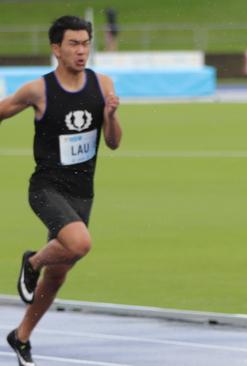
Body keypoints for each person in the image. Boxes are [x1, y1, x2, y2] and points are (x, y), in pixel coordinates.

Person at [0, 15, 122, 366]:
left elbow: (112, 143)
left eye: (86, 43)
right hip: (46, 187)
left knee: (60, 272)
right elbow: (4, 110)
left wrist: (111, 116)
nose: (81, 50)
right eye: (74, 43)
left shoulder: (102, 85)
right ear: (56, 48)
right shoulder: (39, 90)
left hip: (82, 192)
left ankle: (21, 336)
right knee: (79, 243)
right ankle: (32, 260)